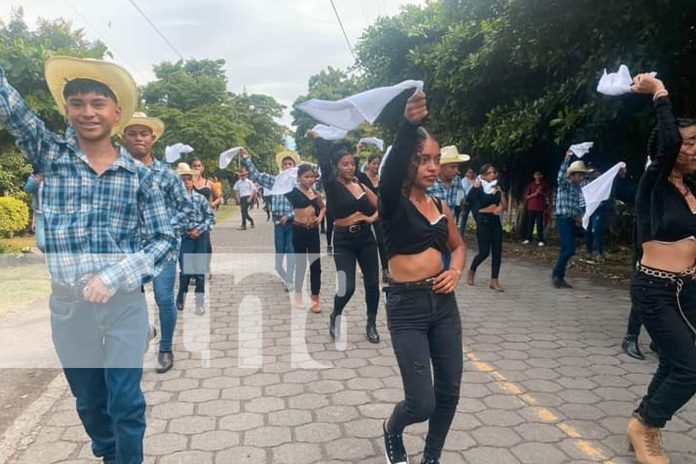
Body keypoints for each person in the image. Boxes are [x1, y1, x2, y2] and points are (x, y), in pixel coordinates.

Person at [0, 56, 176, 464]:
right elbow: (13, 109)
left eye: (98, 102)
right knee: (90, 403)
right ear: (67, 110)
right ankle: (110, 455)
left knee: (126, 400)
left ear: (117, 113)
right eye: (77, 103)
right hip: (68, 306)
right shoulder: (51, 155)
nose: (88, 111)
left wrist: (114, 277)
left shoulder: (142, 177)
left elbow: (164, 240)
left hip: (124, 304)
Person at [379, 90, 466, 464]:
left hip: (444, 306)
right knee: (422, 402)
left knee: (449, 392)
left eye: (435, 159)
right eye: (422, 160)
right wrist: (407, 125)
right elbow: (391, 171)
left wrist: (456, 270)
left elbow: (459, 247)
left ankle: (431, 457)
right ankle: (392, 428)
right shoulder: (392, 204)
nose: (432, 167)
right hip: (407, 308)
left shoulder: (441, 206)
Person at [626, 73, 696, 464]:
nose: (695, 148)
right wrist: (660, 93)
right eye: (690, 142)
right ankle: (645, 427)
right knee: (690, 368)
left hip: (685, 290)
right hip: (654, 290)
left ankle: (642, 422)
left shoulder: (690, 190)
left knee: (676, 361)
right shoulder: (653, 183)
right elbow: (667, 141)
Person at [122, 112, 195, 374]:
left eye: (144, 134)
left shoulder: (167, 175)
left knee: (164, 298)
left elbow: (187, 211)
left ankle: (165, 348)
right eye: (132, 133)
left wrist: (165, 229)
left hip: (163, 249)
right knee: (129, 301)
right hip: (129, 250)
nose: (138, 138)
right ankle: (146, 331)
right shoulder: (117, 172)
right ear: (124, 137)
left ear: (153, 138)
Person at [308, 130, 381, 344]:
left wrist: (372, 218)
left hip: (366, 239)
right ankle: (335, 315)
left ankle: (371, 324)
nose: (350, 167)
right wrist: (319, 138)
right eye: (345, 164)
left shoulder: (361, 184)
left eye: (352, 163)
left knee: (372, 283)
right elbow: (323, 162)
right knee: (347, 286)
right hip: (344, 240)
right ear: (337, 167)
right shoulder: (332, 185)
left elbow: (381, 206)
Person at [241, 148, 299, 291]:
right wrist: (247, 158)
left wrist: (290, 215)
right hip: (278, 222)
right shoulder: (275, 181)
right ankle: (285, 277)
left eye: (290, 164)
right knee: (279, 254)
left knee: (290, 250)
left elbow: (303, 206)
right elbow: (257, 176)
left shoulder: (297, 185)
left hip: (293, 222)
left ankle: (290, 279)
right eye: (285, 164)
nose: (287, 166)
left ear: (294, 166)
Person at [175, 162, 216, 316]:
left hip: (200, 238)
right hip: (184, 238)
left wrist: (199, 230)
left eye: (188, 180)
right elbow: (172, 220)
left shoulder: (200, 199)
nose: (186, 183)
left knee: (199, 271)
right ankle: (181, 297)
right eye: (183, 180)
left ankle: (200, 303)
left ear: (193, 181)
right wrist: (186, 230)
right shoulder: (175, 201)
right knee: (185, 270)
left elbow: (211, 218)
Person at [286, 164, 326, 312]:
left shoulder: (315, 193)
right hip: (299, 231)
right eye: (306, 177)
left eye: (312, 177)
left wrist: (320, 218)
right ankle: (298, 295)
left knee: (316, 266)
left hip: (313, 231)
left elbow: (322, 207)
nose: (309, 180)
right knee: (301, 264)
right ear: (299, 178)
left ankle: (315, 298)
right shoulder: (293, 192)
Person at [551, 151, 592, 288]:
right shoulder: (565, 184)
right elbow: (561, 176)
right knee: (569, 249)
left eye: (582, 175)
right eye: (579, 174)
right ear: (572, 175)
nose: (581, 177)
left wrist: (580, 217)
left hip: (572, 221)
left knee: (575, 243)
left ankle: (559, 276)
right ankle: (557, 274)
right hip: (563, 219)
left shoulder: (578, 188)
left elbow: (577, 205)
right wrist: (567, 158)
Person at [467, 164, 507, 292]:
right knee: (484, 252)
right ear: (483, 175)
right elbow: (469, 200)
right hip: (483, 221)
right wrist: (474, 188)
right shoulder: (478, 187)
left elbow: (504, 205)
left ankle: (494, 280)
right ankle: (472, 270)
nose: (492, 175)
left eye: (493, 172)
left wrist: (502, 195)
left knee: (497, 251)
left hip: (495, 221)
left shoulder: (497, 187)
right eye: (489, 173)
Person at [360, 153, 390, 283]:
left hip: (379, 213)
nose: (376, 166)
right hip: (364, 212)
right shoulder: (362, 178)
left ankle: (385, 269)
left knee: (382, 241)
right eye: (373, 163)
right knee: (364, 242)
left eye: (378, 164)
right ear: (368, 164)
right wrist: (358, 152)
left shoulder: (382, 179)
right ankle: (364, 267)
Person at [522, 170, 549, 246]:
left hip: (540, 207)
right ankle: (528, 238)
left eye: (539, 175)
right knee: (530, 223)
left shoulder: (544, 185)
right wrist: (534, 194)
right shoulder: (531, 185)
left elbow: (547, 195)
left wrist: (541, 193)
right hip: (531, 206)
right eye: (536, 175)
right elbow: (527, 197)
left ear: (541, 176)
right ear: (534, 176)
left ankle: (540, 240)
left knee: (539, 224)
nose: (537, 177)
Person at [233, 166, 256, 230]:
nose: (243, 176)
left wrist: (250, 198)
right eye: (241, 175)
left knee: (243, 211)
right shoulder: (238, 183)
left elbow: (254, 190)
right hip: (242, 197)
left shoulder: (249, 182)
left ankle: (243, 225)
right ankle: (251, 220)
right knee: (244, 212)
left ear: (246, 175)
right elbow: (236, 190)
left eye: (244, 175)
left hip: (248, 197)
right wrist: (238, 198)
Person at [459, 167, 477, 235]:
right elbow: (465, 191)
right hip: (466, 201)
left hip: (474, 201)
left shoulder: (476, 181)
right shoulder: (464, 180)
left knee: (477, 217)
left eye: (472, 172)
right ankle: (461, 234)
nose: (471, 174)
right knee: (464, 217)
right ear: (466, 173)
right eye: (469, 172)